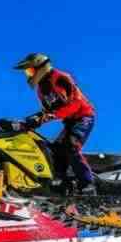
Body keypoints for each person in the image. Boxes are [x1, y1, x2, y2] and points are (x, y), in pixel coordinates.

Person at [12, 53, 97, 194]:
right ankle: (63, 185)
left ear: (41, 66)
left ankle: (88, 184)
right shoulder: (40, 89)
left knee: (71, 146)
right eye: (27, 72)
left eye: (30, 70)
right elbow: (46, 111)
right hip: (69, 121)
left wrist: (50, 115)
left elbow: (75, 103)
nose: (28, 75)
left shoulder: (60, 78)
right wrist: (31, 121)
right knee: (54, 150)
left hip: (83, 116)